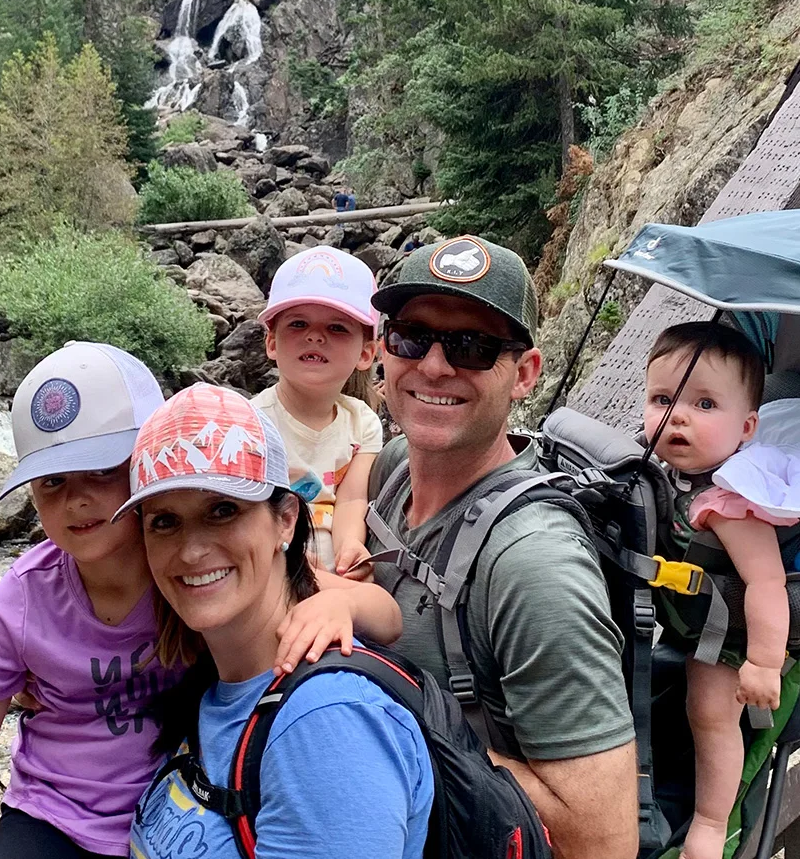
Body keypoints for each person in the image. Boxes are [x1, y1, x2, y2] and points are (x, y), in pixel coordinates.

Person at [0, 342, 408, 859]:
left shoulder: (199, 571)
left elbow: (381, 612)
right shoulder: (23, 603)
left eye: (101, 470)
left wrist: (339, 608)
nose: (77, 498)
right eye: (52, 481)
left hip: (176, 804)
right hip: (56, 816)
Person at [366, 236, 639, 859]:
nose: (434, 366)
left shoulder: (534, 566)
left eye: (471, 346)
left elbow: (603, 841)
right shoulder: (395, 467)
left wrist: (391, 710)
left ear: (524, 374)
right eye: (411, 336)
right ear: (385, 351)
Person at [123, 383, 434, 859]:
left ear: (286, 521)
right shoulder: (212, 677)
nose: (190, 550)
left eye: (223, 511)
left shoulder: (327, 724)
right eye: (165, 521)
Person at [643, 322, 799, 859]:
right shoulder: (668, 472)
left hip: (732, 640)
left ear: (748, 426)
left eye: (705, 404)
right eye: (663, 399)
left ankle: (709, 826)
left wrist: (760, 662)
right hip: (689, 621)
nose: (678, 415)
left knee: (709, 713)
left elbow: (766, 581)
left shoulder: (732, 499)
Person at [252, 246, 382, 574]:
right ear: (272, 343)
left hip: (331, 574)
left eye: (337, 328)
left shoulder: (363, 424)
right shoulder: (252, 421)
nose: (315, 336)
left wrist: (350, 546)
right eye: (298, 324)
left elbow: (352, 500)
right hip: (268, 564)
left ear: (366, 353)